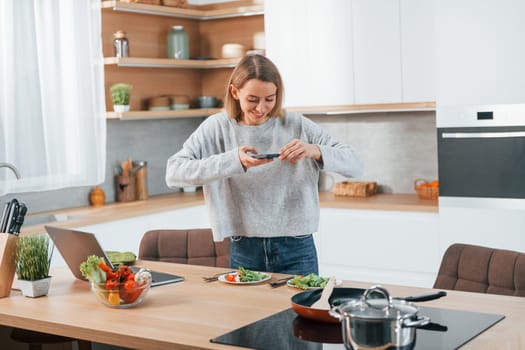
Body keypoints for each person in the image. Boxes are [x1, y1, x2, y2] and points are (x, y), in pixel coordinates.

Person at [165, 54, 362, 275]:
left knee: (302, 310)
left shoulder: (296, 124)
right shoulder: (217, 127)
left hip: (297, 247)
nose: (261, 108)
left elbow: (355, 164)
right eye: (253, 99)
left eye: (270, 99)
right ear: (235, 92)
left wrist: (314, 150)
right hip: (244, 248)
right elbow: (174, 172)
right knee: (249, 310)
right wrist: (233, 160)